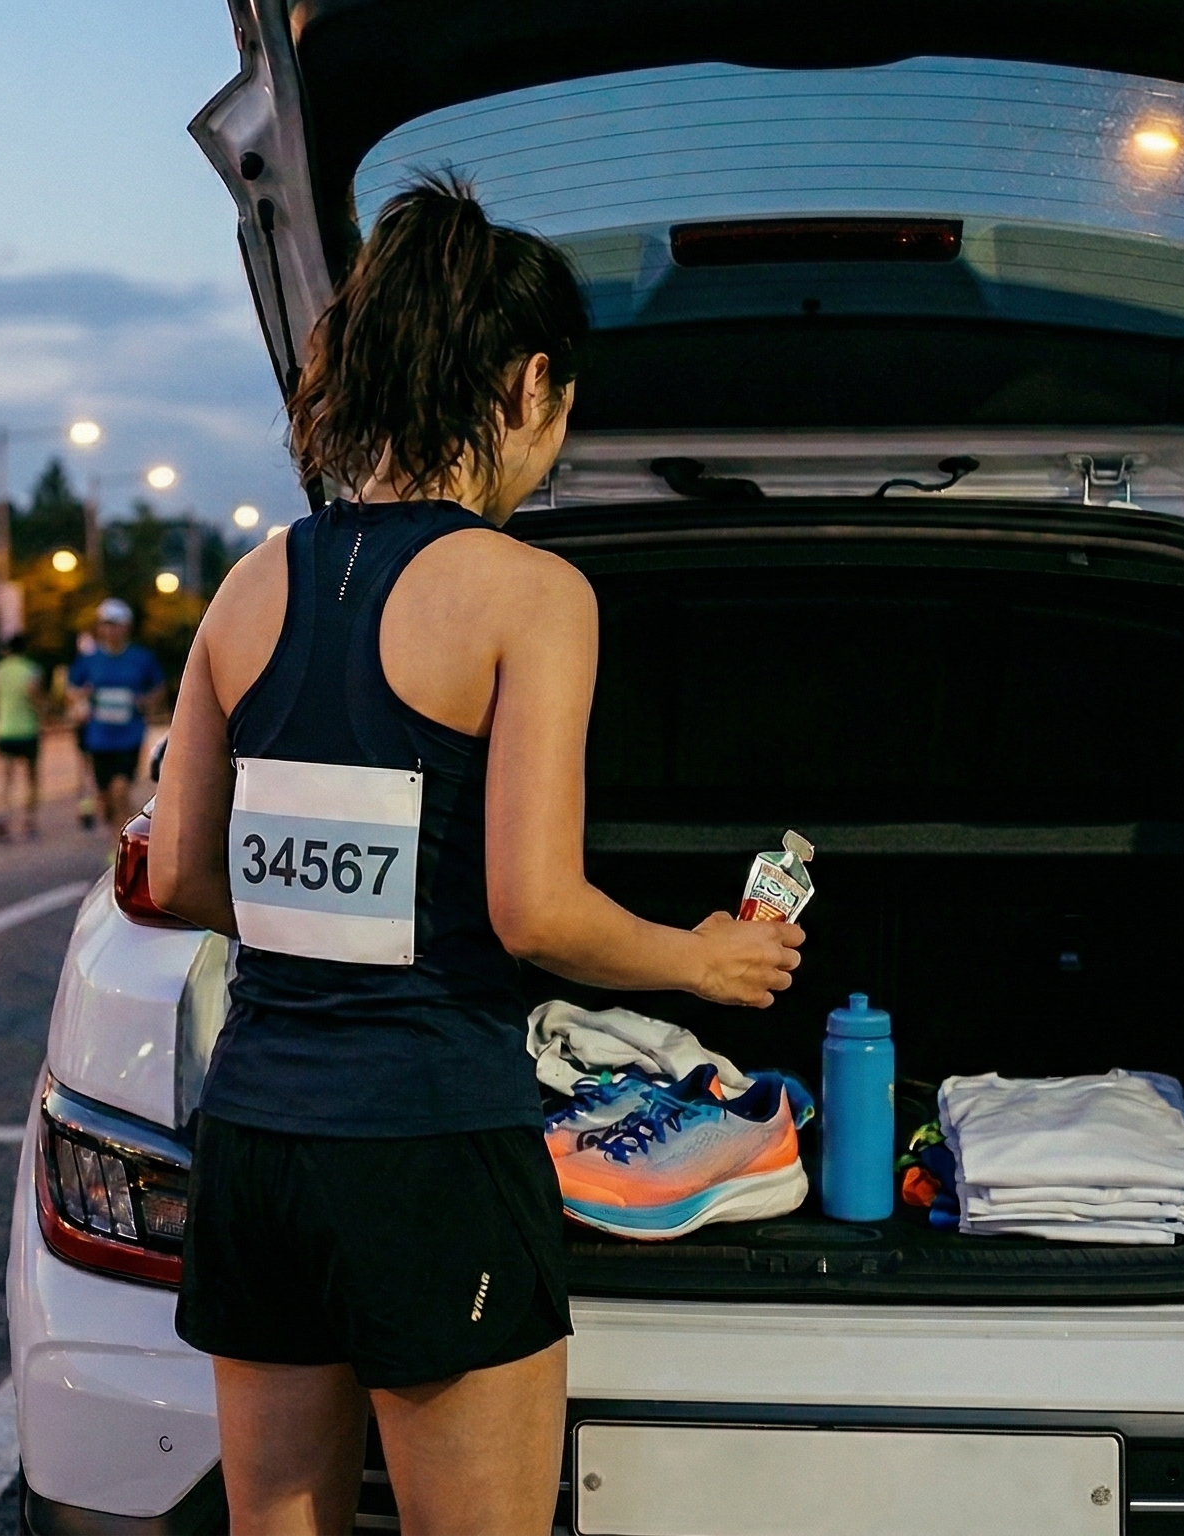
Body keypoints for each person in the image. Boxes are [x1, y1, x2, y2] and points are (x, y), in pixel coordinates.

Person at [146, 177, 806, 1536]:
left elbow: (178, 880)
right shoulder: (529, 593)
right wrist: (704, 958)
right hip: (429, 1146)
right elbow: (535, 911)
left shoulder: (249, 585)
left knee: (276, 1517)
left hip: (257, 1140)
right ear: (528, 385)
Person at [67, 598, 165, 836]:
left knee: (121, 790)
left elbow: (159, 687)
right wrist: (81, 698)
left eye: (115, 624)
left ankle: (125, 845)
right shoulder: (90, 659)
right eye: (105, 624)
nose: (110, 630)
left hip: (129, 737)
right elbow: (71, 690)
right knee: (106, 798)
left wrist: (146, 701)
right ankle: (121, 838)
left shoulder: (140, 658)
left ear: (126, 627)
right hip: (99, 738)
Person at [0, 631, 45, 841]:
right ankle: (29, 821)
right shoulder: (31, 671)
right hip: (27, 730)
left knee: (7, 778)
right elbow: (35, 698)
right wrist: (42, 719)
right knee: (31, 778)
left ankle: (2, 817)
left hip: (4, 729)